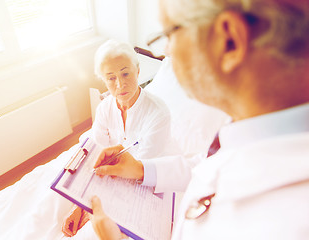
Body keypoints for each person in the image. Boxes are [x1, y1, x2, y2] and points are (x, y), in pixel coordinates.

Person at [90, 0, 309, 239]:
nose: (167, 51)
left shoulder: (289, 221)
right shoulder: (251, 126)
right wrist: (141, 169)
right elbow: (207, 165)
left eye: (170, 33)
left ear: (229, 40)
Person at [62, 39, 185, 237]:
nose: (120, 84)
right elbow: (97, 158)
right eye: (111, 78)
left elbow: (138, 169)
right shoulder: (104, 109)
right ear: (103, 80)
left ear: (138, 71)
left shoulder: (158, 113)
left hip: (150, 177)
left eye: (125, 73)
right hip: (119, 177)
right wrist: (80, 207)